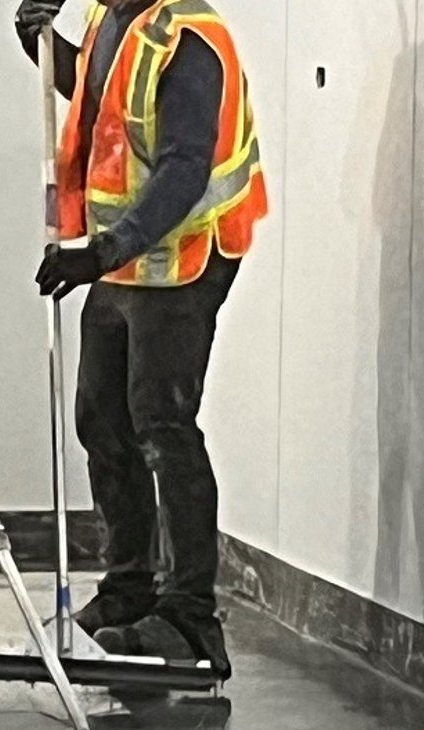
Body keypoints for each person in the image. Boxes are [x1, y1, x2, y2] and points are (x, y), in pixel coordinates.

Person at [15, 0, 266, 678]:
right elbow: (102, 102)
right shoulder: (114, 16)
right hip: (127, 259)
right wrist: (43, 44)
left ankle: (190, 619)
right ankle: (130, 588)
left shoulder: (188, 37)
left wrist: (103, 250)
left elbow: (184, 169)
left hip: (184, 258)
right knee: (102, 418)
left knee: (162, 425)